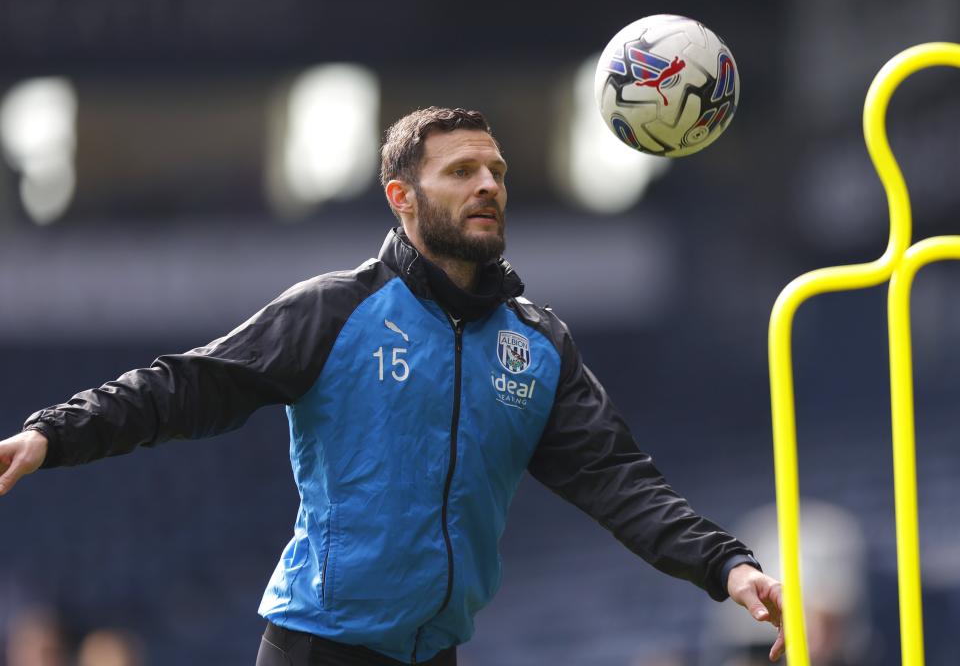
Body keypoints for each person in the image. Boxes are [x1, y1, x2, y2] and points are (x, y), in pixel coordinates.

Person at [0, 107, 785, 665]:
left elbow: (619, 481)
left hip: (436, 653)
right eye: (462, 171)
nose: (488, 185)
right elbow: (185, 386)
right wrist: (51, 434)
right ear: (401, 198)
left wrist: (727, 565)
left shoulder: (538, 344)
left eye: (497, 172)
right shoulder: (333, 312)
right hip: (317, 649)